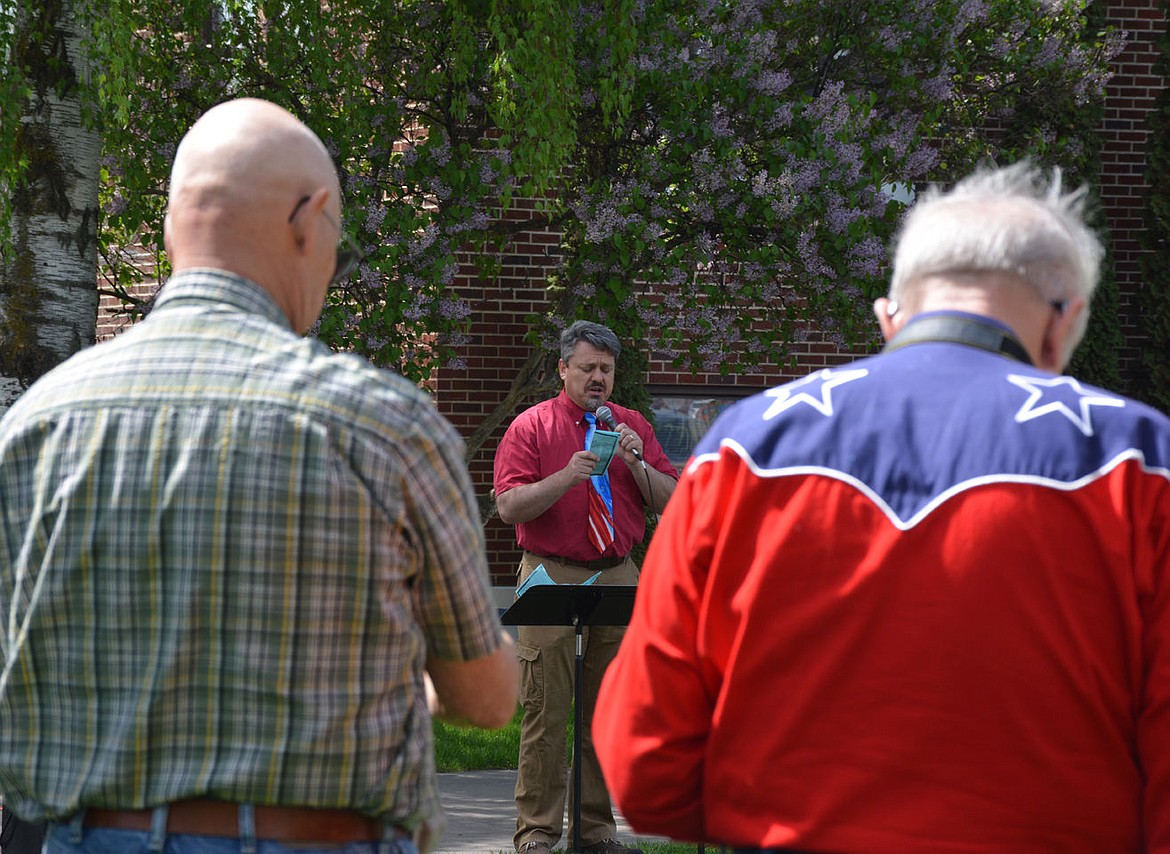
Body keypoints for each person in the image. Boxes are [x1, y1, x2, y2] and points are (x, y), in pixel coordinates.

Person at [593, 161, 1170, 852]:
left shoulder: (743, 448)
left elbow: (643, 766)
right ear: (1063, 325)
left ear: (889, 317)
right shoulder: (1139, 460)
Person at [0, 98, 519, 854]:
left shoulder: (37, 424)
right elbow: (486, 697)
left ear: (173, 225)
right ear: (308, 220)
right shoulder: (382, 425)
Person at [494, 320, 679, 854]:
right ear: (563, 370)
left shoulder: (631, 426)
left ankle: (596, 830)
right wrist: (566, 478)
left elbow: (671, 500)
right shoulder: (533, 427)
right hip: (550, 573)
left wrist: (635, 461)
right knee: (546, 709)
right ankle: (537, 832)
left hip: (617, 572)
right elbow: (508, 507)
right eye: (588, 368)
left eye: (606, 369)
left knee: (609, 710)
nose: (598, 378)